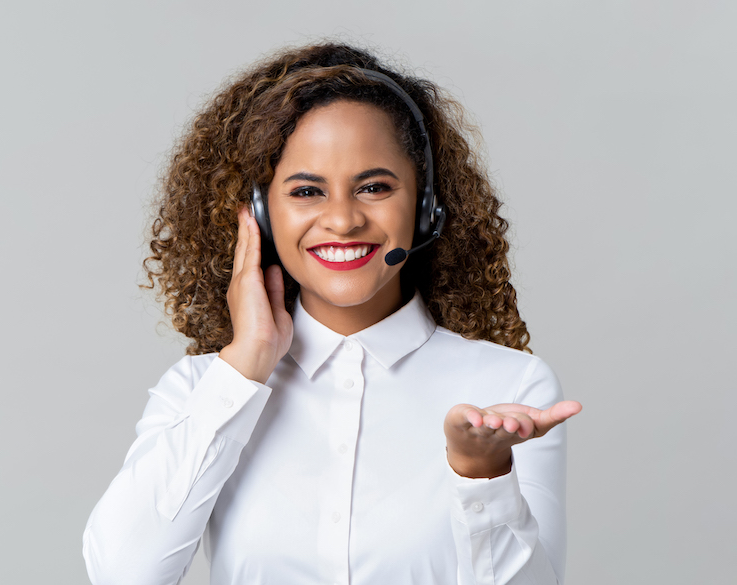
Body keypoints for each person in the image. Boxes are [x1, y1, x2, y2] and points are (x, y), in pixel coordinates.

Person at [83, 42, 581, 585]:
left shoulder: (508, 386)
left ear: (425, 205)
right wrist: (243, 367)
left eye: (374, 187)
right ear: (260, 213)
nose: (342, 221)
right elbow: (123, 574)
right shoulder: (200, 392)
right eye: (306, 191)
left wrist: (482, 474)